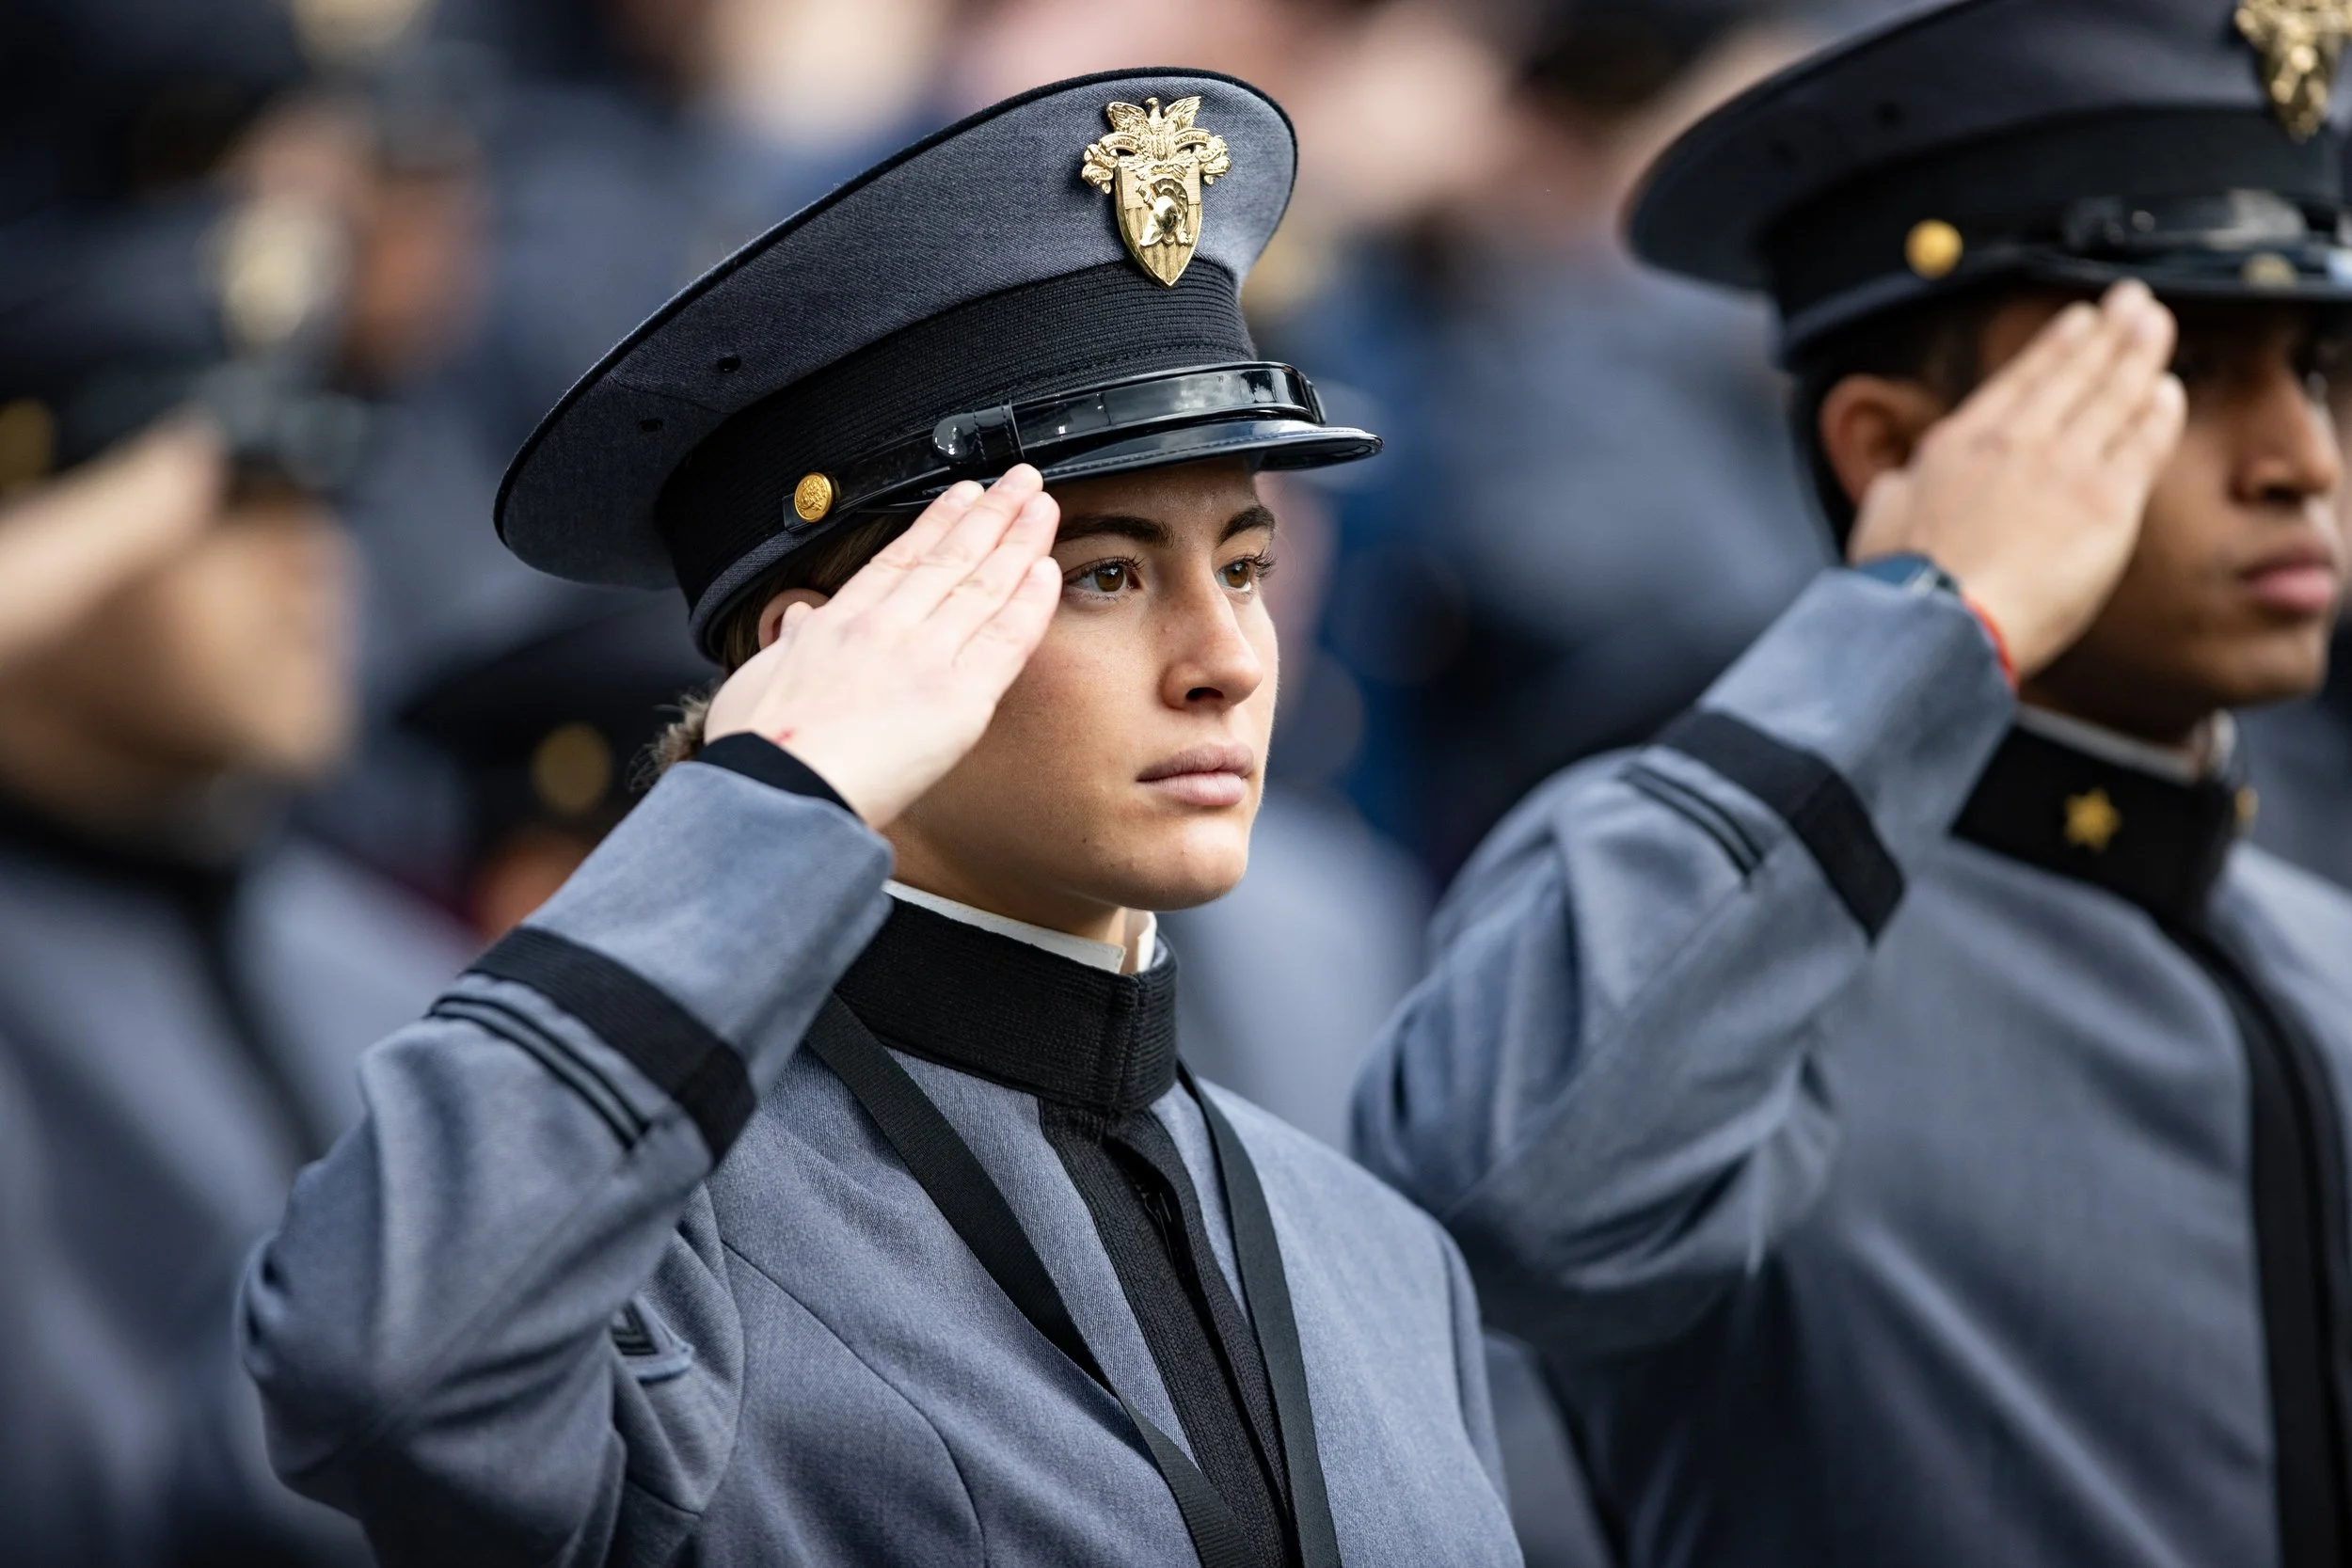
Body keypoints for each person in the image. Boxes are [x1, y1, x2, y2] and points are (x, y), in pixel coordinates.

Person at [241, 71, 1521, 1567]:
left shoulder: (1378, 1256)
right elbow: (375, 1356)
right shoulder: (659, 1249)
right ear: (818, 661)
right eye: (1103, 572)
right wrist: (771, 796)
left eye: (1239, 565)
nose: (1227, 659)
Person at [1353, 2, 2352, 1565]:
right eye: (2185, 372)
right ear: (1895, 448)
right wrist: (1927, 613)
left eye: (2319, 366)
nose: (2302, 454)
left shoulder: (2323, 943)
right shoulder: (1716, 924)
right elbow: (1501, 1203)